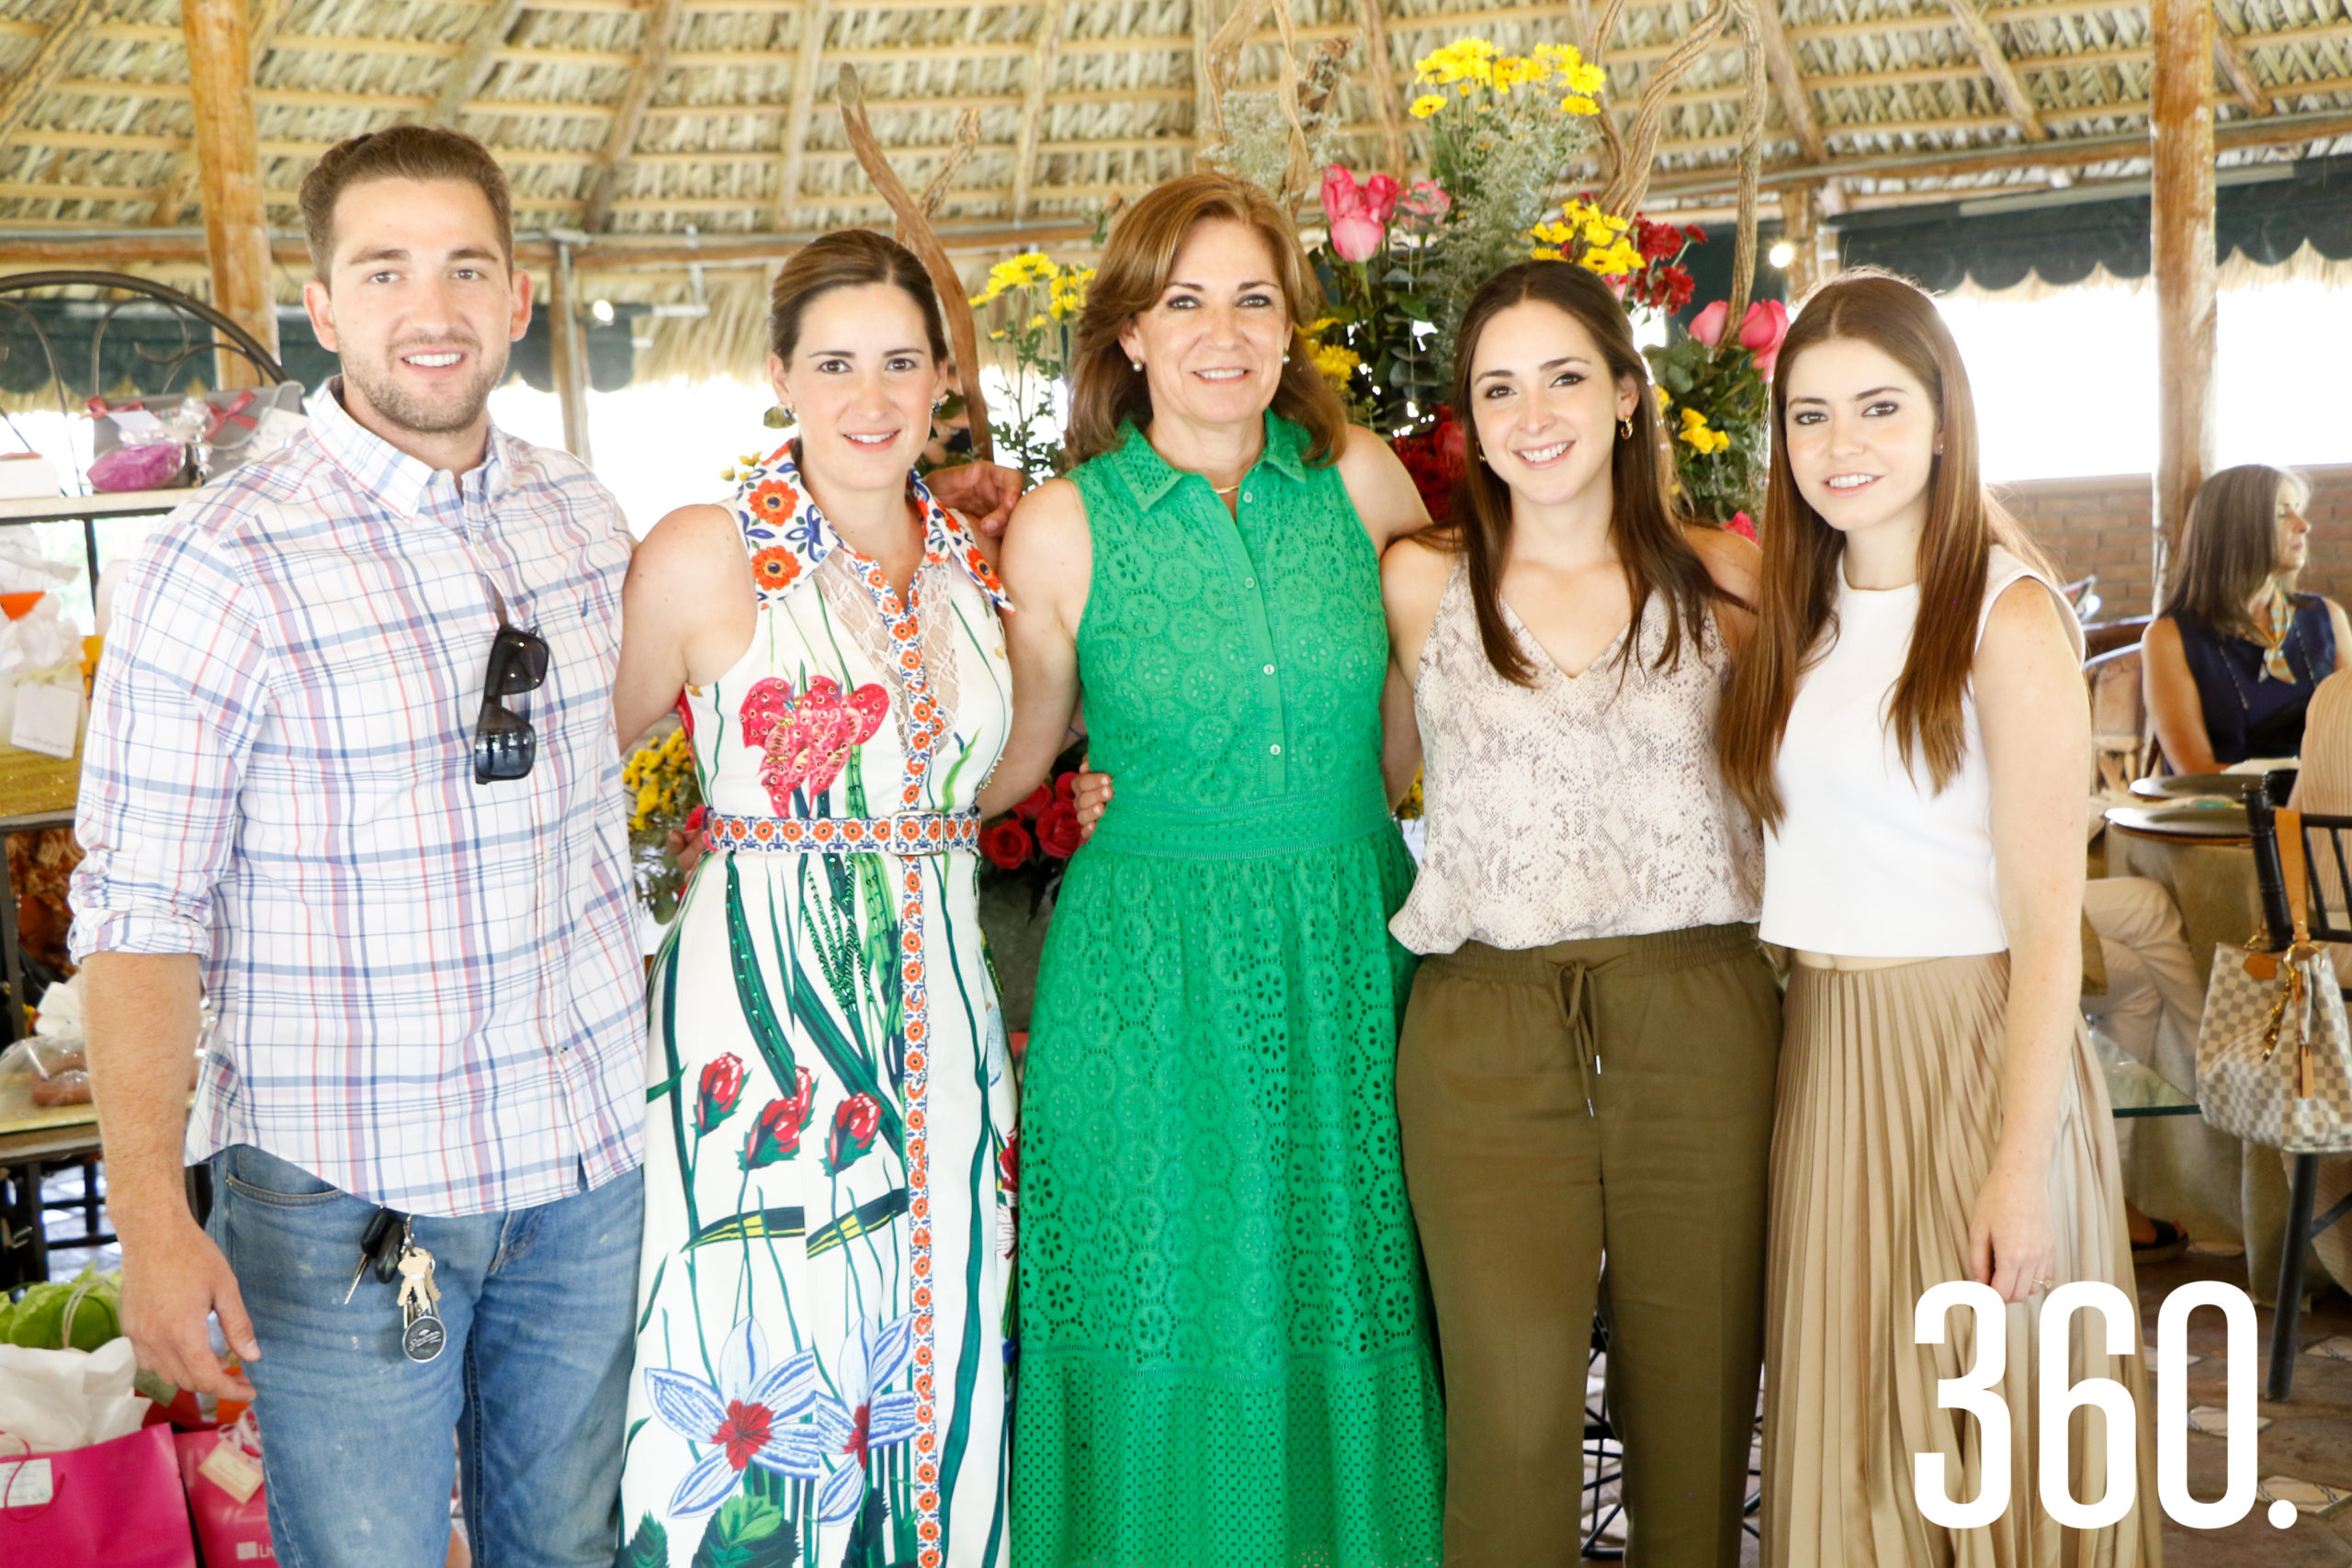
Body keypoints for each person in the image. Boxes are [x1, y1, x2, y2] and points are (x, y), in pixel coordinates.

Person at [70, 126, 648, 1568]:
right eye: (383, 271)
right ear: (321, 310)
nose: (430, 308)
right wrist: (148, 1212)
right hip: (343, 1195)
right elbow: (138, 909)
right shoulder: (221, 560)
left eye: (464, 266)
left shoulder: (582, 514)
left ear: (519, 295)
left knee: (570, 1550)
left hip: (587, 1167)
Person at [992, 171, 1445, 1566]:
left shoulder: (1358, 480)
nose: (1223, 329)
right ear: (1128, 331)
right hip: (1146, 973)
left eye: (1254, 296)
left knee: (1347, 1276)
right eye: (1183, 299)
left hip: (1347, 940)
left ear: (1292, 323)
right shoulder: (1067, 522)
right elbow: (1004, 755)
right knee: (1165, 1286)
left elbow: (1417, 717)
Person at [1716, 270, 2159, 1565]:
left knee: (1977, 1429)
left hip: (1970, 1050)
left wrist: (2019, 1168)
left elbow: (2047, 926)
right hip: (1827, 1049)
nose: (1839, 445)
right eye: (1807, 416)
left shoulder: (2004, 617)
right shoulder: (1795, 617)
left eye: (1876, 407)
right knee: (1856, 1438)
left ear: (1944, 421)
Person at [610, 229, 1026, 1566]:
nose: (871, 394)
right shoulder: (704, 549)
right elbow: (563, 785)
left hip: (950, 1036)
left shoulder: (968, 562)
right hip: (761, 1035)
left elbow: (979, 776)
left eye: (901, 361)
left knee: (944, 1349)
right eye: (836, 361)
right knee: (760, 1360)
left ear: (942, 375)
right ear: (780, 371)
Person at [1378, 259, 1779, 1566]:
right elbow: (1351, 769)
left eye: (1563, 375)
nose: (1532, 412)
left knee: (1701, 1399)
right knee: (1509, 1415)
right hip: (1485, 1025)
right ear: (1469, 422)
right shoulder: (1417, 581)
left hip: (1701, 1007)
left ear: (1624, 394)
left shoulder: (1728, 581)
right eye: (1499, 386)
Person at [2143, 464, 2345, 772]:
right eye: (2282, 513)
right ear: (2237, 529)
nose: (2303, 525)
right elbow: (2194, 770)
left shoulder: (2326, 618)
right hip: (2223, 814)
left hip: (2321, 811)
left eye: (2298, 510)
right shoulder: (2169, 637)